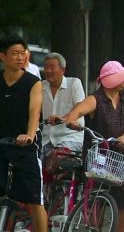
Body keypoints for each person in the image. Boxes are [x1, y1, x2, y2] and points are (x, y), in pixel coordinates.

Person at [59, 61, 124, 232]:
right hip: (100, 155)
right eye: (121, 77)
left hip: (123, 154)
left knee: (123, 202)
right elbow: (77, 111)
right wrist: (72, 120)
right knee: (97, 198)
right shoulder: (95, 99)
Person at [0, 37, 48, 232]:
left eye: (23, 53)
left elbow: (34, 112)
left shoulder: (33, 82)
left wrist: (29, 135)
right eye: (15, 53)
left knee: (35, 200)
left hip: (25, 146)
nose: (20, 57)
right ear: (2, 56)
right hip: (1, 143)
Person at [41, 52, 85, 160]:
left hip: (70, 138)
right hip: (46, 140)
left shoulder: (74, 83)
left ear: (62, 70)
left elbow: (81, 107)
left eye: (52, 67)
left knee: (58, 158)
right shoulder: (40, 86)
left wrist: (65, 119)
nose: (48, 71)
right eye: (46, 67)